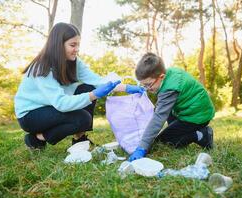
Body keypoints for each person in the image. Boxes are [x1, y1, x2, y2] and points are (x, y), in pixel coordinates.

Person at [14, 22, 144, 150]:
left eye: (78, 45)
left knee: (88, 87)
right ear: (58, 45)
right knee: (82, 118)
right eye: (72, 45)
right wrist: (94, 95)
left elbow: (97, 81)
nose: (77, 49)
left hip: (51, 106)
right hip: (30, 114)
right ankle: (37, 139)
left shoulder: (74, 62)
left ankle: (79, 140)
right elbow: (61, 103)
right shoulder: (42, 68)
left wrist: (127, 88)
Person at [128, 52, 215, 161]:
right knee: (168, 127)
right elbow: (161, 107)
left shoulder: (169, 89)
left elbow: (159, 117)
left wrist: (142, 147)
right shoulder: (169, 73)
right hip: (191, 109)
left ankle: (201, 135)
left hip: (197, 116)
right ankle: (178, 132)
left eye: (148, 84)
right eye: (143, 85)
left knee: (164, 141)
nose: (146, 89)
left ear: (161, 77)